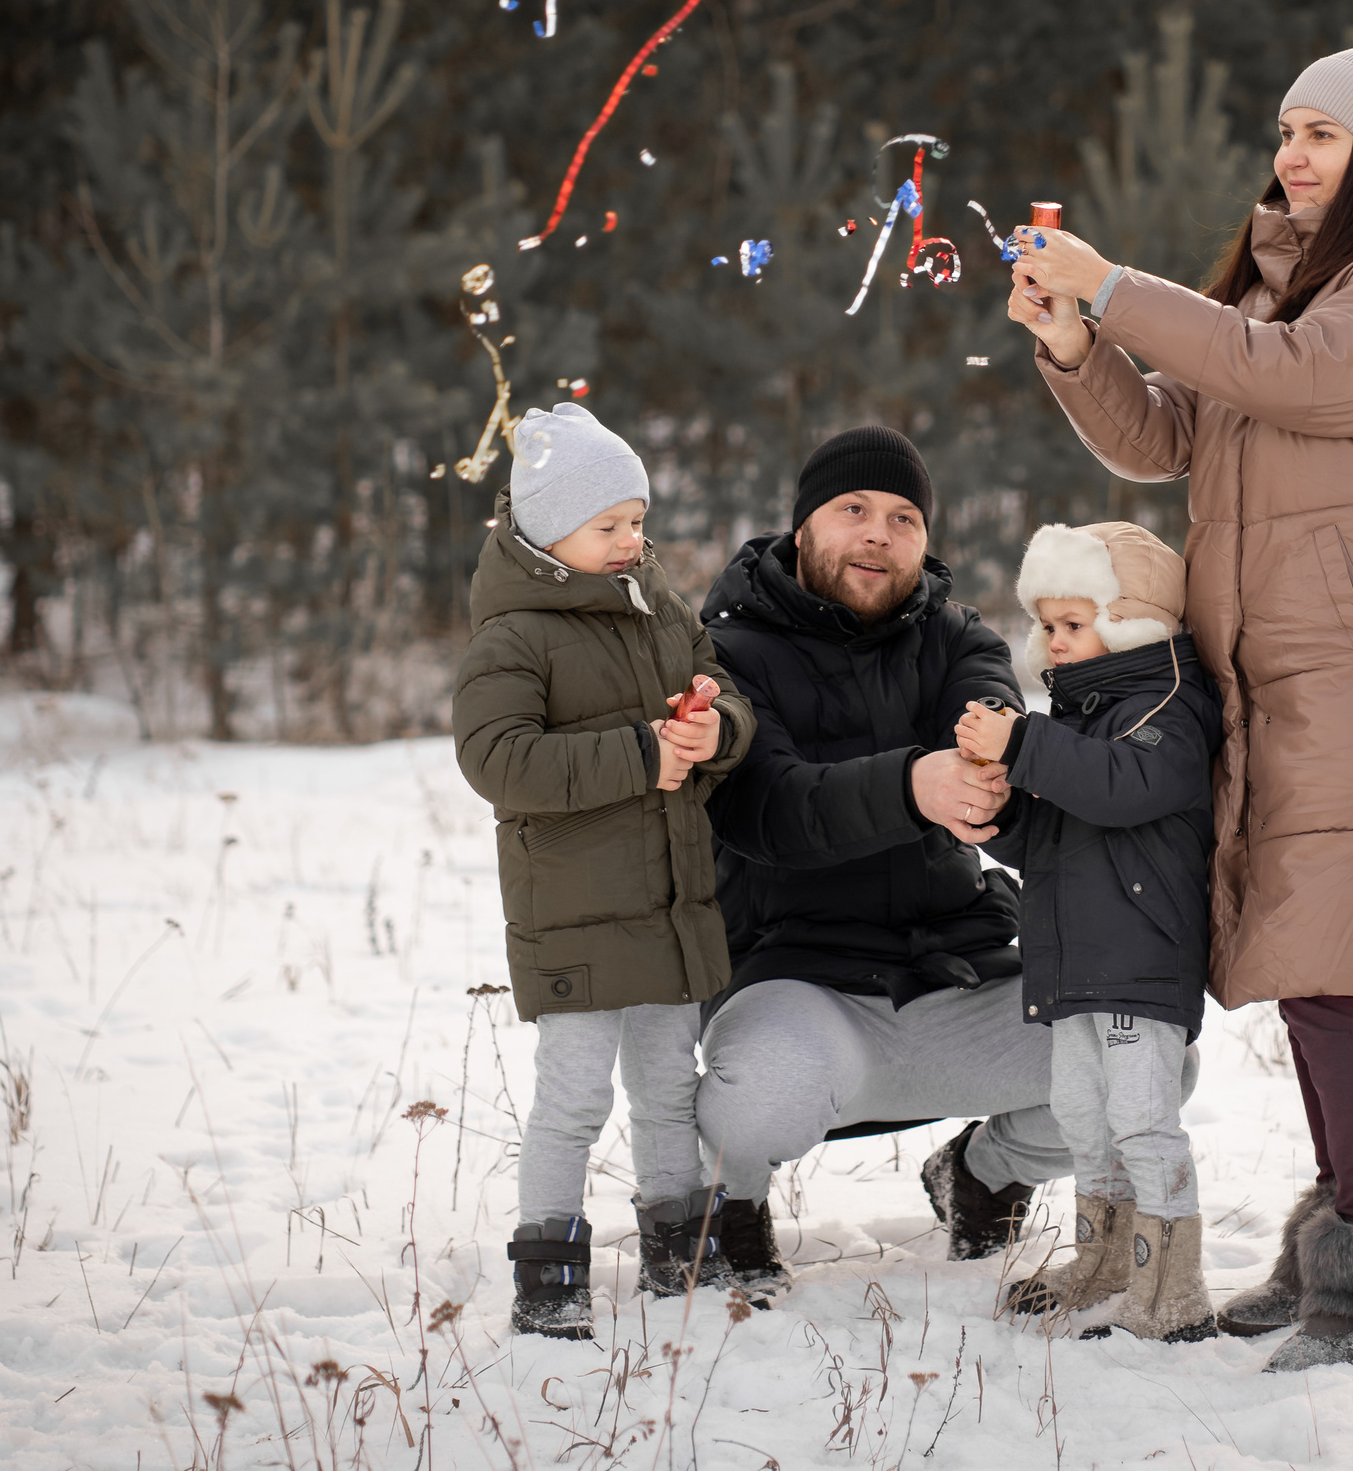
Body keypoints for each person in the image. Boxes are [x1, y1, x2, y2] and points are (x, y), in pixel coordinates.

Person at [1004, 37, 1353, 1370]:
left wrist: (1121, 285)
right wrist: (1077, 341)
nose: (1293, 155)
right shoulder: (1266, 312)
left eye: (1323, 133)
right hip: (1260, 672)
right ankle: (1343, 1239)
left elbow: (1293, 380)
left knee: (1334, 973)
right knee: (1297, 968)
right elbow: (1167, 435)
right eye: (1286, 130)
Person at [695, 427, 1155, 1292]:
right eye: (853, 509)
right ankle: (733, 1200)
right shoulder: (724, 651)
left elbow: (988, 723)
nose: (879, 532)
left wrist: (993, 777)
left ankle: (981, 1173)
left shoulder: (959, 639)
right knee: (758, 1101)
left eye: (904, 516)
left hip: (955, 972)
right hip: (800, 983)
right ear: (803, 528)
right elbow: (767, 808)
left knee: (1147, 1051)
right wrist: (915, 786)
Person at [451, 403, 756, 1340]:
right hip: (576, 913)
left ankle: (677, 1243)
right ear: (549, 532)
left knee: (669, 1083)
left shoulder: (654, 600)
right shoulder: (515, 633)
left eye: (638, 520)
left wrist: (715, 729)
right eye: (609, 525)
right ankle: (549, 1263)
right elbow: (496, 758)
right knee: (575, 1094)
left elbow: (724, 690)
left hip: (665, 903)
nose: (633, 539)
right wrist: (639, 754)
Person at [955, 521, 1224, 1343]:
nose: (1054, 642)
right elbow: (1055, 840)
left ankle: (1172, 1285)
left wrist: (1028, 742)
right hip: (1074, 960)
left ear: (1131, 619)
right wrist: (995, 818)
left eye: (1074, 623)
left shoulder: (1169, 707)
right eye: (1047, 626)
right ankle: (1108, 1258)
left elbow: (1122, 787)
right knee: (1081, 1113)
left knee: (1143, 1117)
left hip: (1138, 960)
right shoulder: (1076, 719)